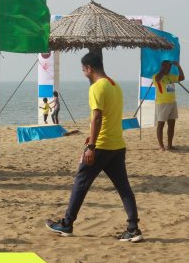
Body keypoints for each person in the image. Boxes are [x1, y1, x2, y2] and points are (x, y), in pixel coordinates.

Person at [46, 52, 142, 242]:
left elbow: (97, 117)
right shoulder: (115, 85)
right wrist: (92, 135)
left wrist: (92, 145)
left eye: (83, 70)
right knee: (123, 187)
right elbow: (109, 116)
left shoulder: (96, 87)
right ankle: (133, 228)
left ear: (89, 68)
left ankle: (66, 224)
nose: (84, 74)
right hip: (117, 145)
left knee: (81, 183)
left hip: (101, 146)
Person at [153, 60, 185, 151]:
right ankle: (161, 146)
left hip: (172, 102)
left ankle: (170, 145)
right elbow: (157, 79)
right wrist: (163, 70)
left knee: (171, 125)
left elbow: (182, 77)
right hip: (162, 103)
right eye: (167, 66)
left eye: (170, 66)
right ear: (162, 67)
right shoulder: (156, 76)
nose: (169, 68)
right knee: (161, 124)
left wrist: (178, 66)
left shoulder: (171, 76)